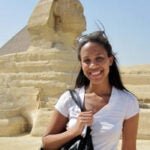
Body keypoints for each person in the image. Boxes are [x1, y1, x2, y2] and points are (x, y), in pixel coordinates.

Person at [42, 30, 139, 150]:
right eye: (87, 60)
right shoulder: (68, 98)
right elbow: (46, 143)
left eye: (99, 58)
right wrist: (74, 131)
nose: (93, 65)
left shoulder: (128, 101)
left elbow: (129, 148)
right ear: (81, 64)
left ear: (110, 60)